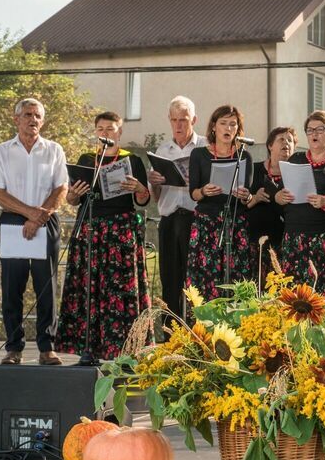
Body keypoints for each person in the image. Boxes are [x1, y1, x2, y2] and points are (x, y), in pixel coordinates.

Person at [54, 112, 151, 364]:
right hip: (90, 230)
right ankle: (89, 350)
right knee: (89, 290)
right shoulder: (87, 160)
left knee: (121, 292)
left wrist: (140, 189)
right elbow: (73, 201)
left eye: (110, 128)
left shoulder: (133, 160)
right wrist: (74, 194)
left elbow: (144, 199)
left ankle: (128, 353)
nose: (105, 133)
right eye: (100, 128)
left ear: (119, 133)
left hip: (120, 231)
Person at [0, 97, 69, 365]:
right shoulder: (1, 151)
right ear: (16, 118)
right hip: (12, 221)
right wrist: (28, 213)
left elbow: (61, 188)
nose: (33, 120)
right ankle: (13, 347)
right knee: (12, 286)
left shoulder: (54, 150)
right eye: (28, 114)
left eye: (38, 116)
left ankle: (47, 347)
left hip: (46, 219)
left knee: (46, 286)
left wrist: (38, 215)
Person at [274, 111, 325, 318]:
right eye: (310, 130)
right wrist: (280, 196)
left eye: (320, 129)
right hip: (295, 235)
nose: (314, 134)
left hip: (324, 238)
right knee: (295, 294)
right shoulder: (296, 159)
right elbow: (279, 195)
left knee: (324, 294)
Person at [186, 105, 255, 300]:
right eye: (223, 123)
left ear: (238, 129)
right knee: (206, 279)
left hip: (235, 222)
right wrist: (204, 191)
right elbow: (194, 193)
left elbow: (248, 195)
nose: (228, 128)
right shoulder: (199, 154)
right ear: (214, 127)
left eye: (233, 124)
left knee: (236, 278)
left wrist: (245, 195)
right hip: (206, 223)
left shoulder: (245, 156)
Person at [148, 96, 207, 323]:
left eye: (183, 120)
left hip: (196, 219)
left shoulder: (204, 148)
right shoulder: (162, 150)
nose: (179, 125)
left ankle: (197, 334)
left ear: (194, 119)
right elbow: (155, 197)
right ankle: (171, 336)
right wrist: (154, 182)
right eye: (174, 120)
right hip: (170, 220)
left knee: (196, 280)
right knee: (170, 280)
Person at [248, 126, 296, 281]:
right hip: (255, 239)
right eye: (281, 139)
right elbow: (241, 202)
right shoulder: (254, 169)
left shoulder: (296, 174)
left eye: (290, 140)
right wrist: (255, 197)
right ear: (270, 145)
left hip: (283, 240)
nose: (286, 143)